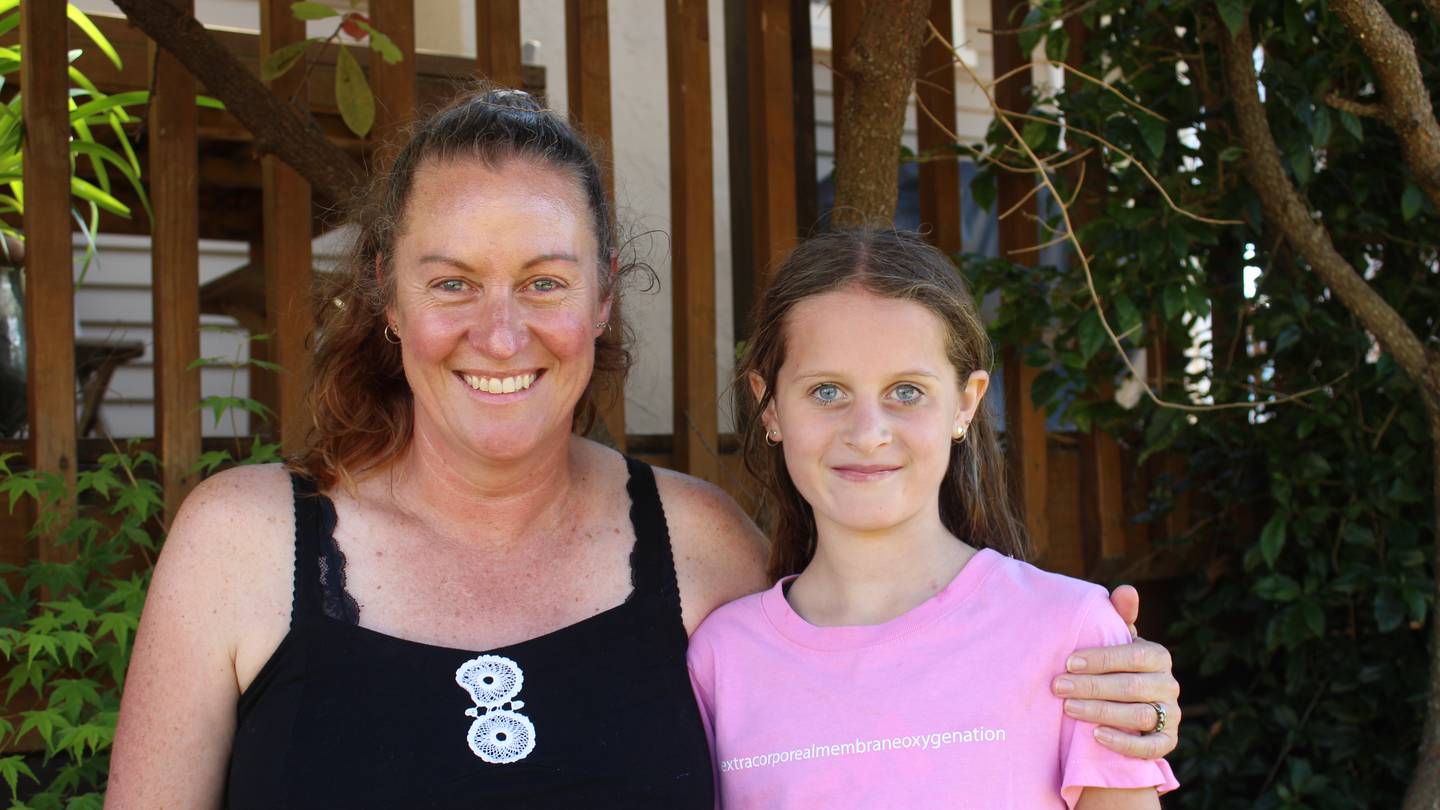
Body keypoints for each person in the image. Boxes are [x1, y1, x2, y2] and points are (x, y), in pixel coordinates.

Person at [108, 91, 1179, 808]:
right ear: (384, 293)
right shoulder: (242, 545)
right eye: (451, 283)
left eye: (544, 281)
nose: (500, 331)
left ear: (605, 295)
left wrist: (1086, 680)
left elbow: (871, 701)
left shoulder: (699, 546)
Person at [688, 229, 1180, 809]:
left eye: (906, 391)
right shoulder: (723, 658)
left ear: (966, 403)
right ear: (769, 406)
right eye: (826, 392)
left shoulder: (1071, 635)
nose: (867, 433)